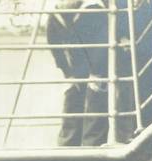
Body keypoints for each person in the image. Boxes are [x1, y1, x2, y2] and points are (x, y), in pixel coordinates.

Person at [47, 0, 135, 147]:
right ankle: (68, 146)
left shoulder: (93, 9)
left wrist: (96, 73)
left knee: (97, 100)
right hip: (80, 61)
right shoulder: (56, 16)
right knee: (73, 97)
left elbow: (101, 41)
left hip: (104, 59)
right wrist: (68, 74)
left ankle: (91, 144)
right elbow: (55, 47)